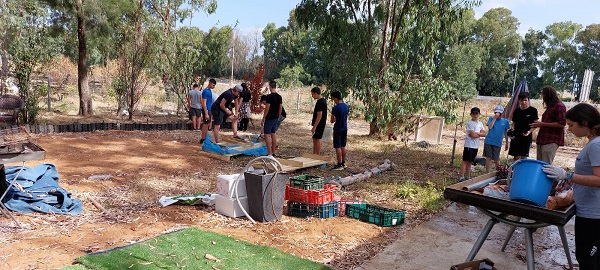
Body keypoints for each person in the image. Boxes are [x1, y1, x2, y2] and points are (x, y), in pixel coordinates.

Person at [542, 103, 600, 269]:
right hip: (588, 211)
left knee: (588, 260)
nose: (569, 130)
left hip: (593, 215)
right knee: (587, 258)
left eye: (571, 125)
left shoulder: (596, 145)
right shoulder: (593, 143)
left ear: (585, 122)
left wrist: (568, 175)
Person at [531, 86, 566, 164]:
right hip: (543, 139)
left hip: (551, 140)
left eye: (543, 94)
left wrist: (542, 124)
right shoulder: (550, 106)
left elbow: (562, 123)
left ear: (548, 95)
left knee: (546, 165)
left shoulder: (559, 106)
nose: (542, 97)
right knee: (539, 165)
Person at [508, 92, 539, 161]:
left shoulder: (533, 110)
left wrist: (529, 131)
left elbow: (536, 124)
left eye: (525, 100)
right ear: (519, 101)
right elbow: (514, 122)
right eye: (522, 100)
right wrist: (512, 128)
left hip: (526, 137)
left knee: (524, 157)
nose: (524, 102)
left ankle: (522, 171)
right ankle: (515, 171)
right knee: (516, 157)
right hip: (516, 136)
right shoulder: (516, 111)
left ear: (528, 100)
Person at [459, 107, 486, 181]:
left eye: (476, 113)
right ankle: (461, 176)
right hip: (469, 145)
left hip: (476, 145)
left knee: (470, 161)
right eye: (473, 113)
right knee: (465, 161)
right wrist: (479, 134)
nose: (475, 115)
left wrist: (476, 133)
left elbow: (484, 134)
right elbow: (472, 135)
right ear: (471, 114)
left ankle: (468, 176)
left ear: (479, 114)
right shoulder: (470, 123)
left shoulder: (480, 123)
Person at [483, 105, 510, 173]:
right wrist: (494, 118)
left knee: (496, 159)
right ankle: (487, 173)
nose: (499, 115)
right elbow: (489, 127)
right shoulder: (491, 119)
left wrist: (507, 143)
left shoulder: (505, 121)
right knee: (488, 158)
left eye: (500, 113)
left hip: (497, 142)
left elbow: (506, 133)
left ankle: (499, 172)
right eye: (497, 113)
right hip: (489, 141)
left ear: (503, 113)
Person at [261, 81, 283, 156]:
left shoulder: (269, 97)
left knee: (266, 134)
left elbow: (267, 108)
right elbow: (280, 108)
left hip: (270, 117)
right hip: (275, 117)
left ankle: (269, 153)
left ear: (270, 87)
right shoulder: (279, 97)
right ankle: (273, 152)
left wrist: (263, 118)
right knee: (273, 134)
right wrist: (278, 116)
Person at [330, 91, 349, 170]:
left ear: (336, 98)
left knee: (337, 146)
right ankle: (344, 162)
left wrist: (333, 116)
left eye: (333, 98)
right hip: (345, 127)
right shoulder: (346, 106)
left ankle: (339, 164)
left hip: (338, 128)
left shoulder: (335, 108)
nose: (333, 100)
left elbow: (332, 120)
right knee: (343, 146)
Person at [310, 86, 327, 155]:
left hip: (319, 124)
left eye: (312, 94)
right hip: (320, 124)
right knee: (315, 139)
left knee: (317, 139)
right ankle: (314, 154)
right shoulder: (323, 101)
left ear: (316, 93)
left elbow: (319, 116)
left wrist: (314, 126)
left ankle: (317, 155)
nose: (312, 96)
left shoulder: (320, 102)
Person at [200, 78, 216, 144]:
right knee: (205, 124)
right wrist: (206, 113)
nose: (214, 87)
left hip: (209, 109)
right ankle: (203, 138)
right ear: (210, 83)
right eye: (213, 85)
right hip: (206, 109)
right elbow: (204, 103)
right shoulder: (205, 91)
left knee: (207, 124)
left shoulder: (209, 91)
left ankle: (205, 137)